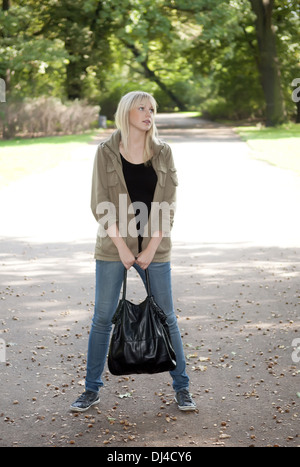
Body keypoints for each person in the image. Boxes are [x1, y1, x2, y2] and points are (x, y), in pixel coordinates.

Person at [70, 91, 196, 413]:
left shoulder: (164, 153)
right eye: (141, 108)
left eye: (151, 109)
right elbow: (100, 203)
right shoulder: (106, 152)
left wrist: (152, 247)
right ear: (126, 113)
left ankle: (182, 388)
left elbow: (168, 205)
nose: (148, 114)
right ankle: (91, 389)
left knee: (167, 317)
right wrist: (123, 249)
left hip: (155, 247)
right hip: (114, 247)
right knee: (102, 319)